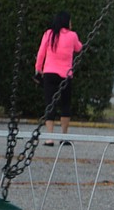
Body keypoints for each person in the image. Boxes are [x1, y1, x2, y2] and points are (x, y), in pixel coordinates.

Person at [35, 11, 82, 146]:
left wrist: (38, 69)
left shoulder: (48, 34)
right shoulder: (72, 36)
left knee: (50, 103)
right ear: (66, 22)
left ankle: (50, 137)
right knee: (65, 104)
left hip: (49, 73)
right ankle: (64, 136)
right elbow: (79, 48)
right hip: (66, 75)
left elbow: (41, 53)